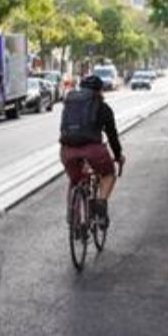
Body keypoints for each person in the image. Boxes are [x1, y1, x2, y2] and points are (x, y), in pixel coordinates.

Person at [59, 74, 125, 226]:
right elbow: (112, 135)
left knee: (75, 180)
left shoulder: (70, 103)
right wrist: (118, 155)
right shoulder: (103, 107)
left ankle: (74, 219)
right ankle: (101, 204)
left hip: (67, 151)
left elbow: (63, 129)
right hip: (93, 150)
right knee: (108, 174)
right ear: (100, 91)